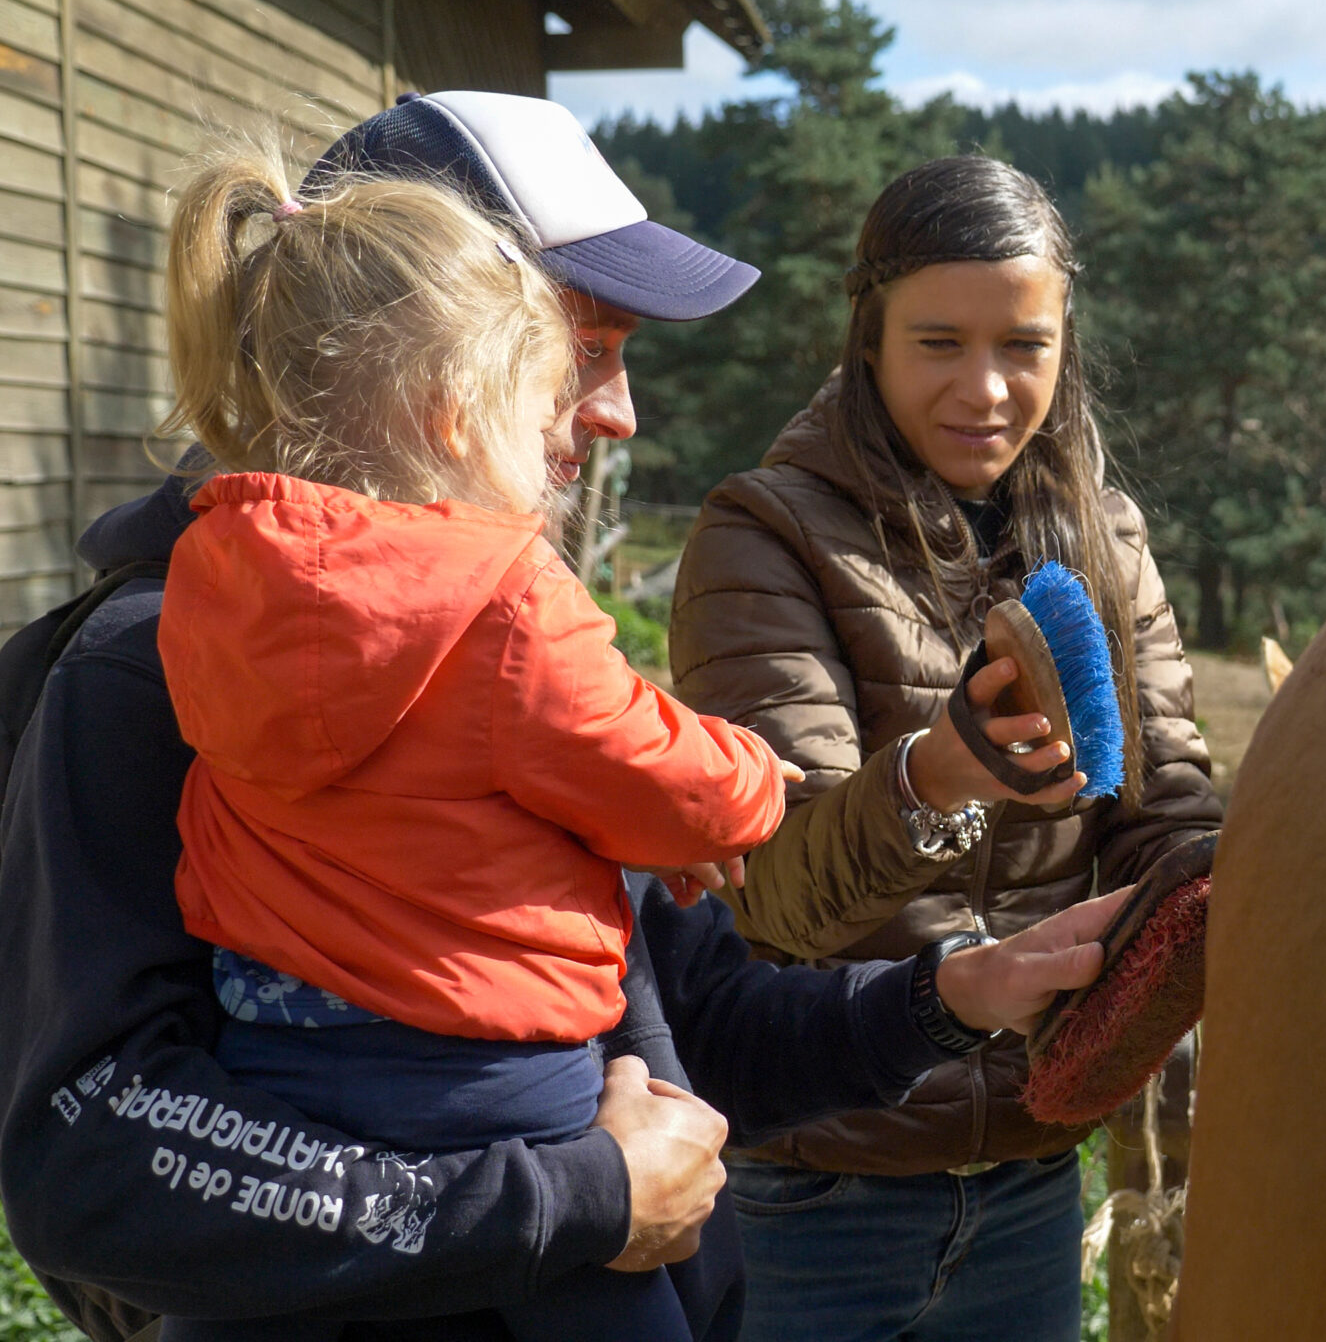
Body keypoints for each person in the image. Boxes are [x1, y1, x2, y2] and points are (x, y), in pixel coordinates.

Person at [0, 94, 1112, 1342]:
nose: (620, 413)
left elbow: (683, 1027)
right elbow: (94, 1156)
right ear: (437, 368)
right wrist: (578, 1198)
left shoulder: (502, 655)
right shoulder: (148, 667)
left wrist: (948, 998)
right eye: (586, 348)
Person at [669, 154, 1222, 1342]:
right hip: (812, 1191)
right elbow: (776, 897)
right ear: (867, 336)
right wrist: (938, 775)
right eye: (937, 343)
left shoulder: (1102, 536)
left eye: (1024, 345)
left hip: (1026, 1185)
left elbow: (1165, 808)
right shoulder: (764, 536)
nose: (985, 388)